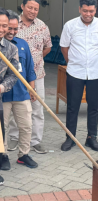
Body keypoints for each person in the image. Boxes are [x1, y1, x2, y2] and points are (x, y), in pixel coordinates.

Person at [60, 0, 98, 151]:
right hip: (75, 72)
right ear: (79, 9)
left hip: (96, 74)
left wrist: (97, 61)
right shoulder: (70, 25)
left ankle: (92, 138)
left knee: (94, 107)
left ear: (95, 10)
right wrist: (72, 62)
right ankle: (70, 138)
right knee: (72, 106)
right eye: (85, 11)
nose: (88, 14)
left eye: (91, 11)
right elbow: (64, 47)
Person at [7, 0, 52, 154]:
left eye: (36, 9)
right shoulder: (11, 23)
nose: (33, 11)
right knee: (14, 106)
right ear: (22, 6)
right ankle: (13, 138)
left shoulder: (42, 26)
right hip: (14, 76)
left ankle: (35, 141)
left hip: (37, 75)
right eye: (30, 7)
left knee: (37, 108)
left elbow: (47, 48)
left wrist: (33, 63)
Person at [1, 10, 37, 170]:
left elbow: (30, 68)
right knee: (4, 127)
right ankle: (4, 155)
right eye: (9, 27)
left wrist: (32, 88)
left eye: (15, 29)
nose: (12, 31)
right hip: (4, 96)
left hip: (21, 92)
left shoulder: (21, 45)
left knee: (26, 125)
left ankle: (24, 154)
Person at [0, 7, 20, 184]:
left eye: (4, 25)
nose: (2, 29)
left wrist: (1, 87)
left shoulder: (11, 48)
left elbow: (13, 75)